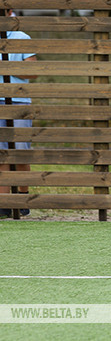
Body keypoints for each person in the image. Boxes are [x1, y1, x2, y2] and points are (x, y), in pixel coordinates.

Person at [0, 17, 36, 218]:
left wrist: (7, 68)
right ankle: (3, 202)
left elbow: (33, 72)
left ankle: (23, 199)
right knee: (1, 152)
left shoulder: (21, 37)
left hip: (19, 101)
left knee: (21, 150)